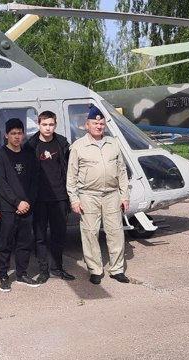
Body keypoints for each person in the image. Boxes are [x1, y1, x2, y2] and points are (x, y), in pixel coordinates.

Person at [66, 106, 131, 285]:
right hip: (88, 195)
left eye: (101, 123)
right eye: (95, 123)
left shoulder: (113, 143)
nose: (99, 126)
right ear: (87, 125)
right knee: (90, 233)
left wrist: (124, 196)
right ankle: (95, 269)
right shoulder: (78, 147)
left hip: (111, 194)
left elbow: (122, 171)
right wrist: (74, 199)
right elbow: (71, 175)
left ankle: (117, 269)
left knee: (115, 232)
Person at [24, 111, 76, 283]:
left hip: (59, 197)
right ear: (38, 124)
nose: (48, 128)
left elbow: (70, 168)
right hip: (39, 199)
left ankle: (57, 268)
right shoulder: (30, 146)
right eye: (44, 124)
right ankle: (43, 269)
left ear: (55, 125)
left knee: (59, 235)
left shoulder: (61, 143)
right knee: (40, 236)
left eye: (51, 124)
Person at [0, 118, 40, 292]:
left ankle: (21, 273)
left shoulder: (29, 155)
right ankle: (4, 276)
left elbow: (34, 180)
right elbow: (2, 183)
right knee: (5, 243)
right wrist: (16, 202)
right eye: (13, 133)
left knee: (24, 242)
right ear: (6, 135)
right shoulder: (1, 156)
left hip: (27, 207)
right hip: (8, 208)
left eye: (19, 133)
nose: (16, 137)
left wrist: (28, 201)